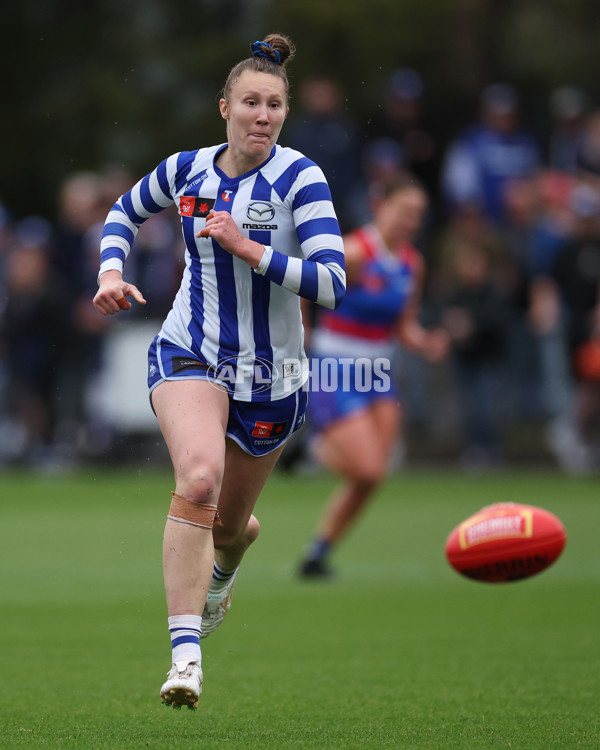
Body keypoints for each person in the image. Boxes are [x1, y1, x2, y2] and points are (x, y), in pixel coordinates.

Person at [92, 34, 345, 709]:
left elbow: (331, 283)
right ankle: (186, 659)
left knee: (230, 526)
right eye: (252, 103)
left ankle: (230, 558)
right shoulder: (186, 171)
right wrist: (111, 269)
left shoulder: (301, 179)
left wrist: (249, 248)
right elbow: (122, 210)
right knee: (198, 479)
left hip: (273, 379)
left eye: (275, 106)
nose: (263, 116)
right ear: (225, 106)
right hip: (191, 351)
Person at [297, 175, 448, 578]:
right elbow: (304, 288)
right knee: (366, 469)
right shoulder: (355, 251)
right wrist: (302, 338)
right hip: (335, 366)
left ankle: (318, 552)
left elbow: (405, 326)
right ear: (380, 205)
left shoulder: (412, 263)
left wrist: (425, 342)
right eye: (404, 211)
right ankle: (312, 447)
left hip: (379, 371)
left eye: (418, 215)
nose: (410, 221)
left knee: (373, 477)